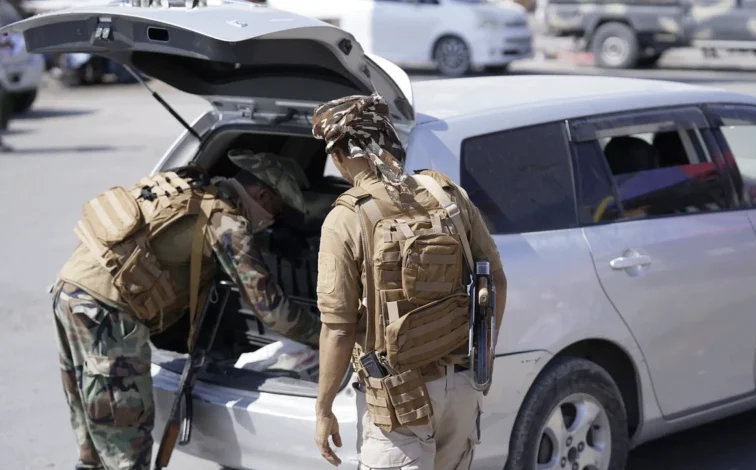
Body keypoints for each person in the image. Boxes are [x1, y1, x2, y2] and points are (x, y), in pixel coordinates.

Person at [50, 150, 321, 470]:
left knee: (93, 429)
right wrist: (328, 336)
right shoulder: (226, 222)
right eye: (277, 209)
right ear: (262, 195)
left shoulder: (188, 184)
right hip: (107, 314)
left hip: (69, 291)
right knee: (126, 442)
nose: (273, 220)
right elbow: (272, 310)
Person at [311, 92, 507, 470]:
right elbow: (496, 279)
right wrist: (482, 357)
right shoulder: (446, 195)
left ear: (340, 155)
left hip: (399, 401)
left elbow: (338, 328)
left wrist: (323, 409)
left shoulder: (346, 217)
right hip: (461, 387)